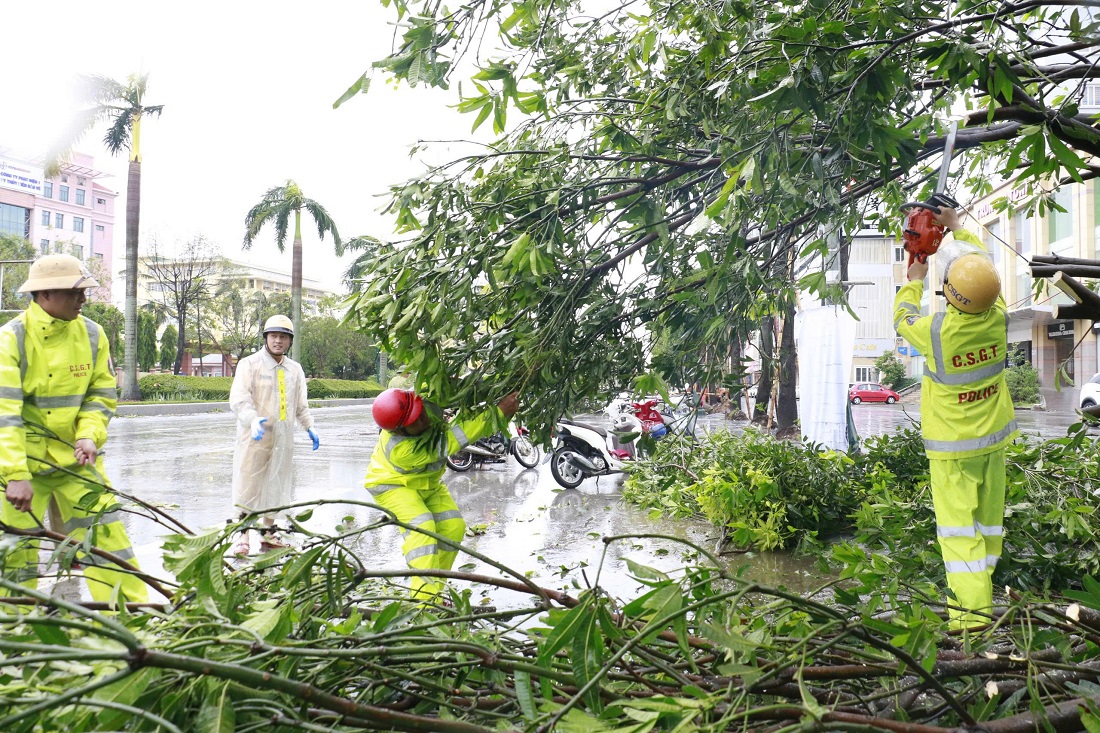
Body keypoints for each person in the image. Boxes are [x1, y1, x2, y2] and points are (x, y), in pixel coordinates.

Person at [893, 206, 1018, 629]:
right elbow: (983, 270)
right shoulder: (998, 315)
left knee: (960, 538)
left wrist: (911, 281)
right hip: (992, 446)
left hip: (952, 455)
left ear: (949, 292)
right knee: (987, 529)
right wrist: (958, 226)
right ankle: (986, 596)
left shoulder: (936, 332)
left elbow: (902, 319)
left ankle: (972, 624)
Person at [0, 254, 148, 603]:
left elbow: (100, 394)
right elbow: (4, 413)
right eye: (75, 291)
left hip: (76, 463)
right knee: (15, 554)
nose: (83, 299)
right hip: (20, 467)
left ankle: (137, 621)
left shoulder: (93, 334)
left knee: (108, 539)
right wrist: (15, 473)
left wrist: (88, 434)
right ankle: (14, 633)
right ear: (45, 294)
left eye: (84, 291)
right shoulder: (10, 339)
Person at [365, 388, 519, 600]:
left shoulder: (421, 405)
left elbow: (453, 390)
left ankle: (435, 588)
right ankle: (424, 603)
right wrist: (498, 413)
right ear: (399, 431)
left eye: (420, 412)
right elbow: (451, 440)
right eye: (414, 421)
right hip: (392, 486)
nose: (423, 419)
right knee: (423, 529)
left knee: (453, 527)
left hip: (426, 484)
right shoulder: (402, 450)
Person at [229, 315, 319, 553]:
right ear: (266, 338)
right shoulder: (250, 364)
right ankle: (243, 536)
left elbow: (300, 405)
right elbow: (239, 399)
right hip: (255, 436)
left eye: (283, 337)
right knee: (249, 485)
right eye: (274, 336)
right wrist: (251, 420)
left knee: (277, 484)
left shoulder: (294, 370)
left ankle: (269, 533)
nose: (278, 341)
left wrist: (309, 426)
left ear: (290, 341)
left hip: (282, 437)